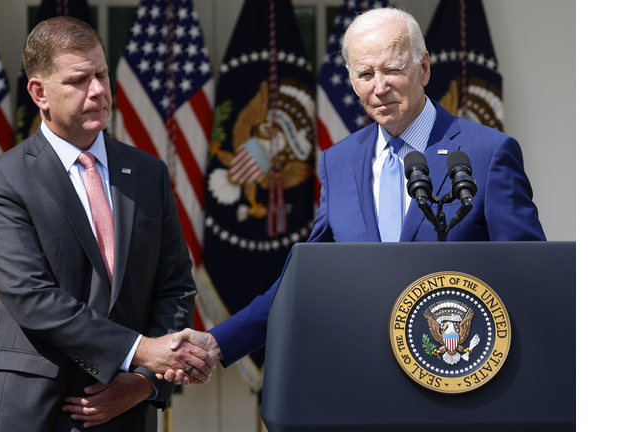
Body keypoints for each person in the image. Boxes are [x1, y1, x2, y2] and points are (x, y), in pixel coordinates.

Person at [160, 7, 545, 385]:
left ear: (424, 68)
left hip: (459, 371)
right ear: (351, 79)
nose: (379, 86)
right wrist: (218, 342)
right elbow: (302, 280)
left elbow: (529, 275)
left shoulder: (486, 152)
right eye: (365, 74)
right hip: (365, 378)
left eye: (393, 69)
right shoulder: (339, 161)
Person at [0, 16, 214, 431]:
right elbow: (32, 296)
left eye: (101, 74)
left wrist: (144, 381)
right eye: (79, 80)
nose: (99, 90)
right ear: (39, 92)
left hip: (127, 409)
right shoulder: (1, 179)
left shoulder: (148, 172)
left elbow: (174, 285)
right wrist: (141, 351)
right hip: (32, 409)